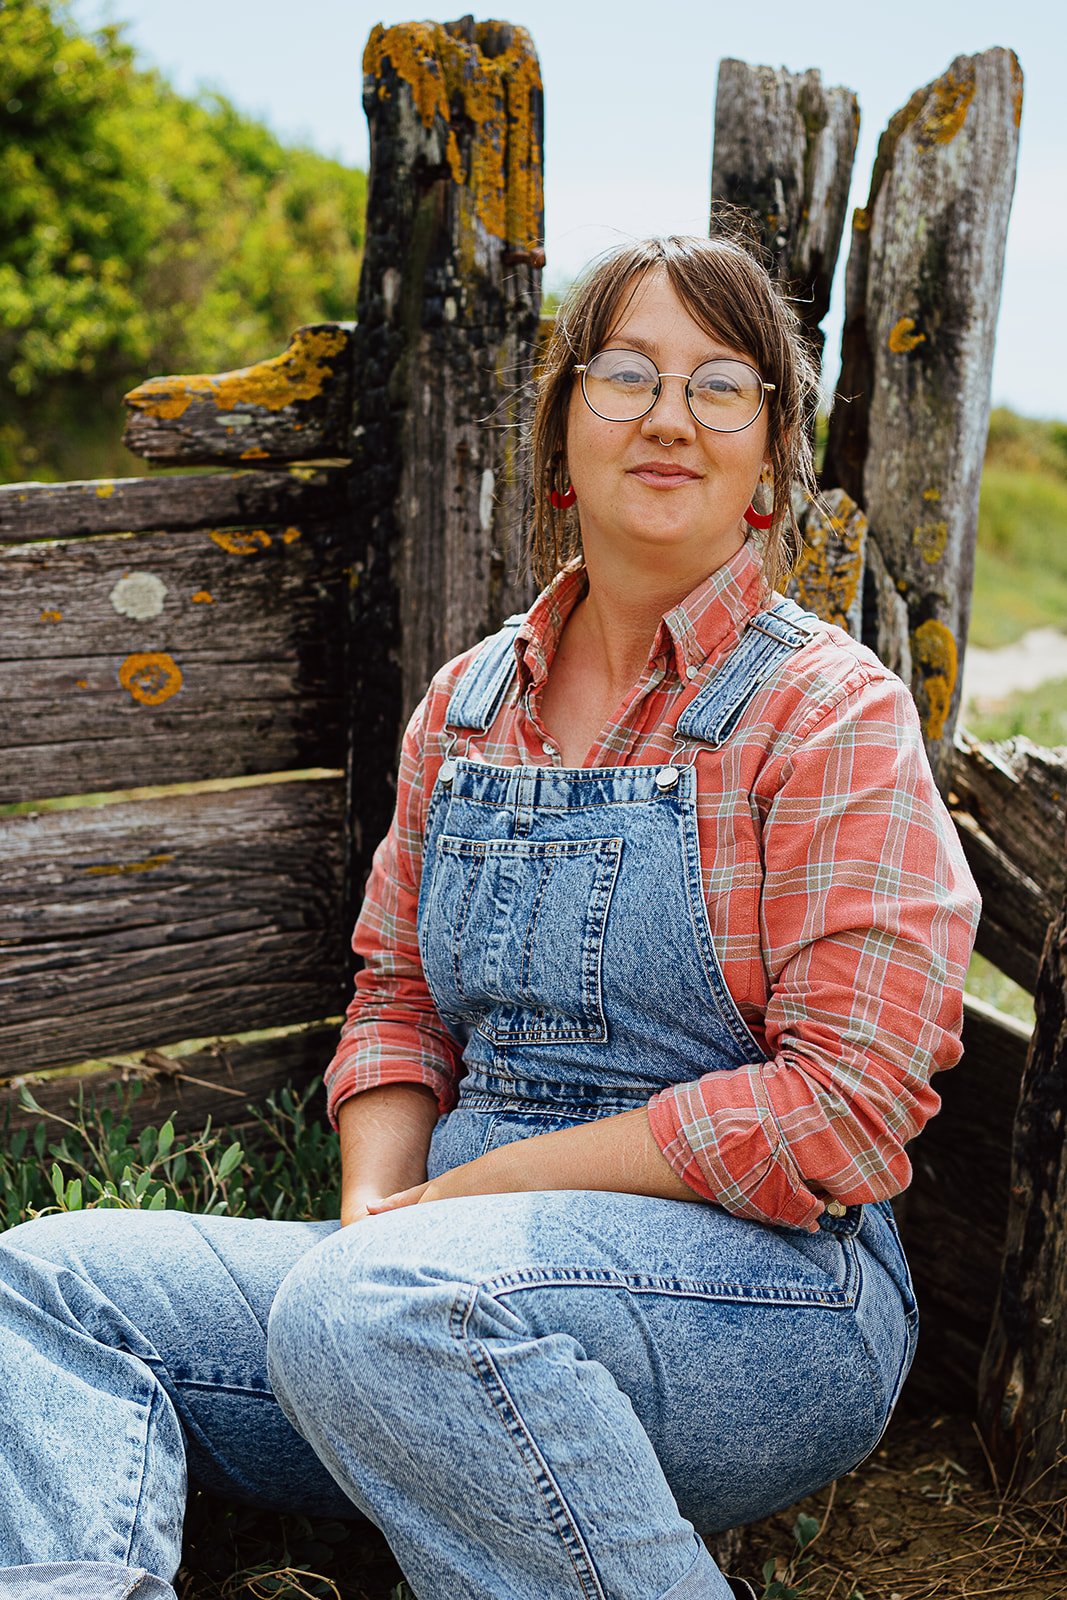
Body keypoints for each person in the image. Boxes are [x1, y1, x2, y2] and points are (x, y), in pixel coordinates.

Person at [0, 233, 980, 1600]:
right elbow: (396, 1000)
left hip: (770, 1305)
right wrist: (373, 1211)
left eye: (722, 386)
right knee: (46, 1284)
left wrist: (465, 1205)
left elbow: (852, 1103)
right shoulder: (465, 706)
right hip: (415, 1287)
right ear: (562, 424)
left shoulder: (828, 717)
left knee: (383, 1309)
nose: (668, 416)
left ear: (771, 463)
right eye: (626, 372)